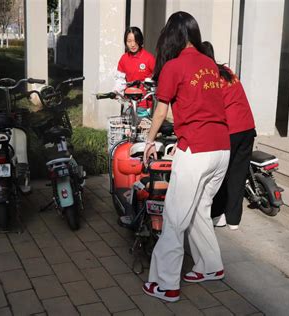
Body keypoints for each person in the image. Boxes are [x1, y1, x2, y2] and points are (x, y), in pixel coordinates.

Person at [141, 11, 230, 302]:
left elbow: (160, 110)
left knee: (175, 218)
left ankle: (166, 284)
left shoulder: (174, 67)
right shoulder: (211, 65)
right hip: (221, 149)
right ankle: (210, 266)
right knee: (200, 210)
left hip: (195, 149)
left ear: (173, 36)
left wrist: (148, 141)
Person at [202, 41, 256, 231]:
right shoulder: (227, 71)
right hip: (248, 128)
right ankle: (233, 220)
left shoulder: (209, 78)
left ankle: (217, 215)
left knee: (220, 174)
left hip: (232, 130)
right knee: (238, 174)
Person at [115, 26, 155, 111]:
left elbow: (158, 77)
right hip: (128, 103)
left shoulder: (149, 58)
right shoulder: (123, 59)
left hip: (144, 104)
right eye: (129, 41)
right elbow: (120, 80)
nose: (132, 44)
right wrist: (116, 92)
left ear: (140, 40)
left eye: (135, 40)